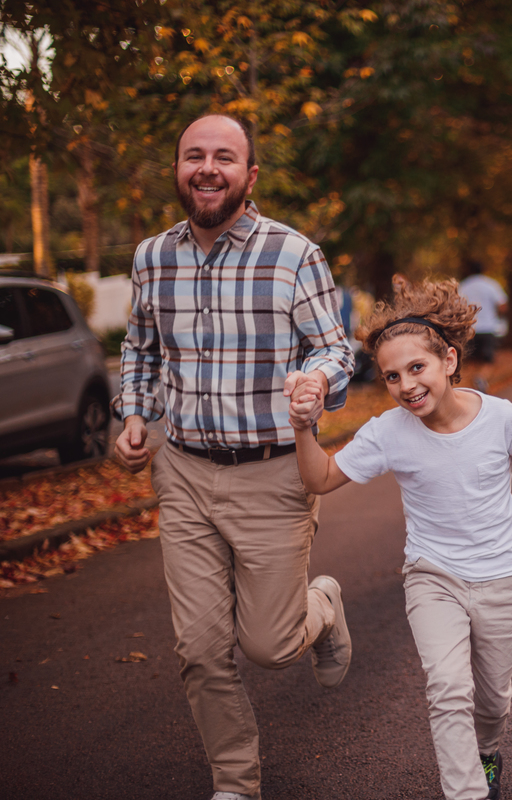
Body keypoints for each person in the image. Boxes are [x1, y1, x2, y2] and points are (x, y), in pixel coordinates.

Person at [286, 278, 512, 800]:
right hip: (433, 577)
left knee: (493, 700)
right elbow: (319, 479)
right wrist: (304, 427)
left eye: (417, 368)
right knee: (448, 689)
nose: (406, 385)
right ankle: (467, 792)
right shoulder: (388, 432)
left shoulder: (502, 418)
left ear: (449, 360)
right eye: (391, 376)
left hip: (502, 575)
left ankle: (487, 753)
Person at [111, 114, 356, 800]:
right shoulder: (151, 257)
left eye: (224, 157)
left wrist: (317, 381)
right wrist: (135, 415)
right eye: (194, 155)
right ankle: (236, 783)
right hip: (184, 472)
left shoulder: (292, 254)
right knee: (199, 648)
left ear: (249, 176)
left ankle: (325, 604)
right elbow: (141, 350)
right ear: (179, 169)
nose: (208, 167)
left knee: (271, 647)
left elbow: (335, 348)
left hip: (274, 475)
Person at [457, 259, 507, 391]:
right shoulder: (491, 284)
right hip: (488, 328)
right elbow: (502, 306)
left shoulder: (463, 286)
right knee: (488, 361)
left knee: (471, 361)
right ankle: (481, 378)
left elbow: (455, 307)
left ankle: (475, 386)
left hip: (469, 329)